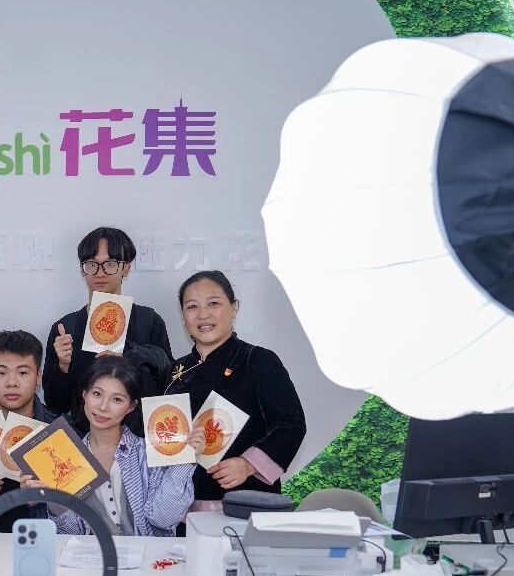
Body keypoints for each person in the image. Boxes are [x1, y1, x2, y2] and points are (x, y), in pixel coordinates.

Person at [163, 270, 306, 507]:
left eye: (214, 303)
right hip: (180, 510)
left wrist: (249, 464)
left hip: (245, 504)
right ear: (183, 316)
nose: (203, 314)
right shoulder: (174, 371)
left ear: (234, 308)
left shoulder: (257, 360)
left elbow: (291, 424)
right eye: (192, 307)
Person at [23, 356, 201, 536]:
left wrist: (184, 461)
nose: (103, 407)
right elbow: (72, 533)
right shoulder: (66, 457)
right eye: (97, 394)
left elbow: (163, 520)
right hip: (92, 554)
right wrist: (53, 499)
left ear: (131, 406)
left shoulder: (150, 453)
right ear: (84, 394)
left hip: (148, 554)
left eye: (117, 399)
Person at [42, 226, 172, 415]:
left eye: (110, 264)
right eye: (91, 264)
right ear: (82, 269)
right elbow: (55, 405)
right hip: (82, 431)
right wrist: (62, 367)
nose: (100, 272)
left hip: (138, 429)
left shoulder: (149, 321)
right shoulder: (65, 328)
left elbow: (169, 385)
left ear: (126, 268)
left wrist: (132, 355)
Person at [0, 330, 58, 533]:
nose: (12, 382)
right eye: (1, 373)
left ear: (38, 376)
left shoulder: (57, 432)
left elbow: (77, 520)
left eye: (23, 373)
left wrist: (43, 501)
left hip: (43, 544)